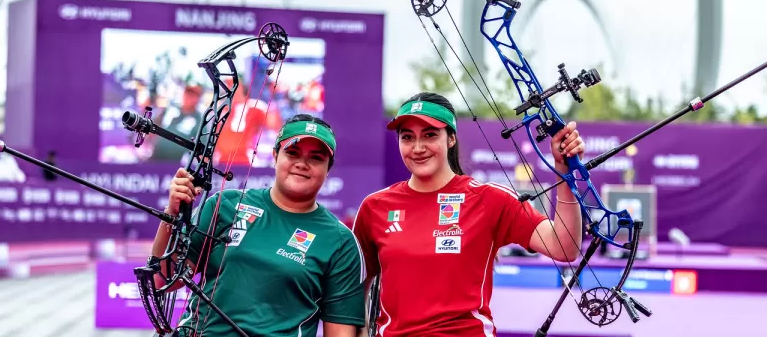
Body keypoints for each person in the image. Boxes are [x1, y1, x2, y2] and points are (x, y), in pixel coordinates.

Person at [352, 92, 586, 336]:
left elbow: (564, 248)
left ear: (451, 138)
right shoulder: (375, 207)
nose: (418, 147)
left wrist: (565, 172)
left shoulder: (489, 199)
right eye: (407, 137)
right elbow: (353, 294)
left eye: (430, 135)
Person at [153, 114, 367, 337]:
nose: (302, 164)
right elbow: (165, 278)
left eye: (316, 158)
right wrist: (172, 214)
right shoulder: (225, 204)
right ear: (275, 156)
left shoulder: (340, 241)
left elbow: (340, 333)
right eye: (292, 152)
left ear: (328, 168)